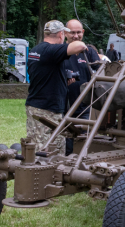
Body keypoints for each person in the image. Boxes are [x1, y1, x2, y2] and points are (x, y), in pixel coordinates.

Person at [25, 20, 88, 155]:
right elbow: (79, 46)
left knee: (35, 146)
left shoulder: (36, 50)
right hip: (49, 110)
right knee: (51, 153)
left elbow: (45, 76)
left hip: (34, 105)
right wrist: (81, 44)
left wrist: (63, 82)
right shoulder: (52, 50)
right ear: (61, 34)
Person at [64, 20, 102, 155]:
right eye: (72, 32)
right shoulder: (61, 51)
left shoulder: (89, 52)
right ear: (65, 33)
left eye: (78, 32)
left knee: (85, 142)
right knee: (66, 143)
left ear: (83, 33)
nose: (75, 36)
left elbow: (100, 73)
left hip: (86, 106)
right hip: (65, 106)